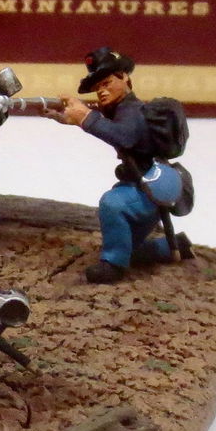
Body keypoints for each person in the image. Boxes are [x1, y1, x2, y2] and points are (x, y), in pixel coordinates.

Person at [51, 47, 192, 284]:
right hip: (142, 182)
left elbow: (124, 136)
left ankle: (114, 266)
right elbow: (107, 125)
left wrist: (85, 118)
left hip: (151, 184)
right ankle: (172, 246)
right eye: (98, 88)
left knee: (113, 204)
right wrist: (70, 118)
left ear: (124, 77)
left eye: (106, 83)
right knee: (129, 248)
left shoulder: (132, 111)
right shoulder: (120, 110)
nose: (102, 91)